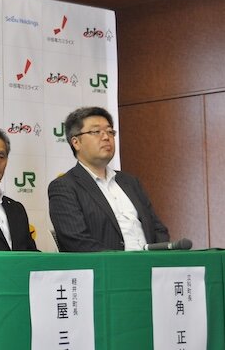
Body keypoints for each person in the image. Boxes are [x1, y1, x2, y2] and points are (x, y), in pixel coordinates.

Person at [48, 106, 169, 252]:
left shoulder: (130, 182)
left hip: (150, 262)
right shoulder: (65, 187)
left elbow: (158, 229)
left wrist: (159, 259)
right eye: (96, 132)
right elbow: (77, 241)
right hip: (107, 265)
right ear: (76, 142)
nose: (106, 137)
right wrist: (123, 262)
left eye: (110, 132)